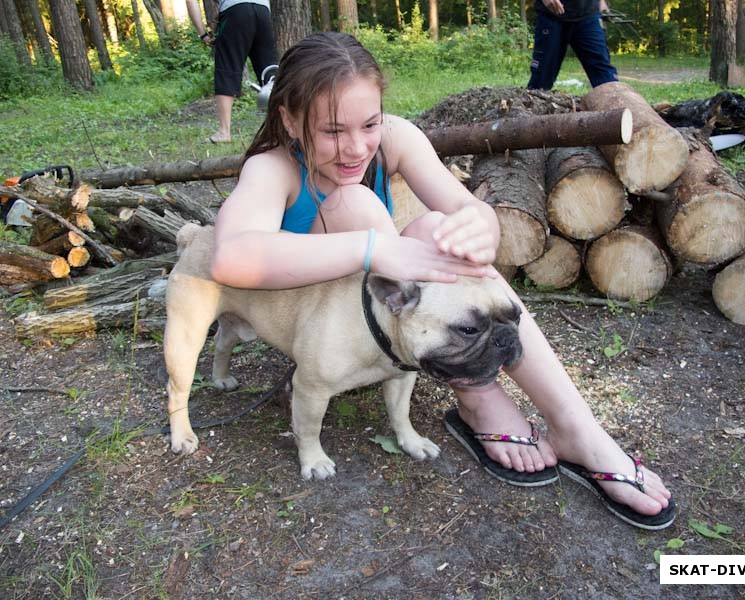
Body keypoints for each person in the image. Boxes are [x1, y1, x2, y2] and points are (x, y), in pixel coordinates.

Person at [211, 32, 675, 529]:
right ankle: (477, 394)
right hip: (321, 327)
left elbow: (466, 210)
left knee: (437, 227)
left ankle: (576, 428)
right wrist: (372, 247)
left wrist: (481, 224)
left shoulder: (396, 138)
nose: (355, 147)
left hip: (385, 318)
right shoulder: (273, 167)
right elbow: (231, 257)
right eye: (331, 131)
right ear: (289, 120)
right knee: (357, 204)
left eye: (369, 123)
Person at [186, 0, 279, 143]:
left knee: (227, 66)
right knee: (270, 72)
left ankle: (224, 132)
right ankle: (281, 128)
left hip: (235, 11)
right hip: (263, 10)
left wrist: (203, 34)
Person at [527, 0, 618, 90]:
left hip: (589, 13)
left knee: (605, 75)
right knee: (542, 77)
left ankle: (617, 102)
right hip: (551, 15)